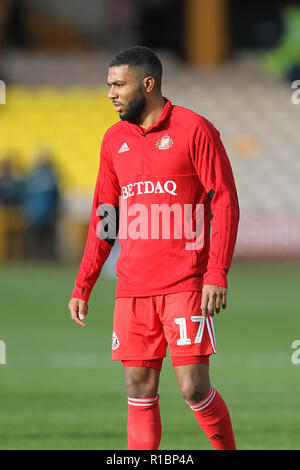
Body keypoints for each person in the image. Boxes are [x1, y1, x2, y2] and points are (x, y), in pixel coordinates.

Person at [68, 46, 239, 450]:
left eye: (118, 84)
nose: (110, 93)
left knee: (193, 388)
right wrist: (83, 283)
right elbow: (104, 219)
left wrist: (216, 272)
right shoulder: (113, 141)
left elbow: (224, 200)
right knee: (137, 386)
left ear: (149, 84)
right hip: (132, 289)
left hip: (186, 284)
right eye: (108, 84)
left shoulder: (195, 129)